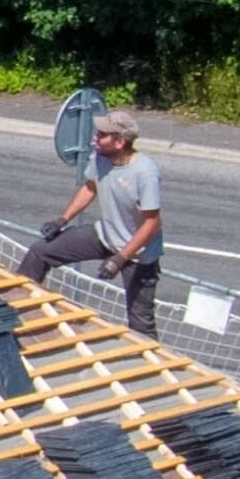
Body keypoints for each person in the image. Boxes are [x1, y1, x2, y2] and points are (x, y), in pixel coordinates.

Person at [18, 107, 165, 335]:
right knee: (40, 252)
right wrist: (62, 220)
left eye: (101, 135)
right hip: (104, 236)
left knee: (141, 323)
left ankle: (149, 364)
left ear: (119, 142)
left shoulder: (145, 172)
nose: (94, 138)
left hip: (137, 255)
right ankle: (18, 309)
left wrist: (120, 259)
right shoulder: (101, 158)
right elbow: (89, 188)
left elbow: (152, 223)